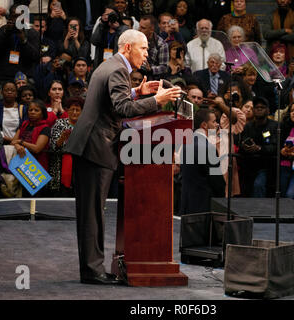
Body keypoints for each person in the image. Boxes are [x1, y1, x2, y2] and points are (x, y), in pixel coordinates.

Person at [64, 29, 181, 285]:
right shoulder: (118, 70)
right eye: (144, 48)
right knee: (92, 213)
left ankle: (92, 269)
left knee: (91, 212)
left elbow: (113, 101)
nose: (147, 54)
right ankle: (92, 271)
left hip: (91, 146)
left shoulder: (111, 65)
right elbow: (123, 108)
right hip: (95, 148)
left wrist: (138, 92)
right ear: (128, 47)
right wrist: (157, 100)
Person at [180, 108, 226, 214]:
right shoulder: (208, 148)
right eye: (214, 121)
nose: (217, 125)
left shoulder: (185, 145)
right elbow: (217, 182)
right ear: (204, 125)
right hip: (203, 207)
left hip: (187, 205)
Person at [238, 96, 277, 197]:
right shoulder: (248, 126)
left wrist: (259, 148)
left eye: (262, 107)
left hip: (266, 166)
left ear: (268, 110)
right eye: (256, 107)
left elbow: (275, 147)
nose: (259, 109)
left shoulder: (274, 126)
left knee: (258, 186)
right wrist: (245, 147)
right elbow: (241, 144)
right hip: (249, 165)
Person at [0, 3, 40, 82]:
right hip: (4, 75)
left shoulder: (32, 33)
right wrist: (5, 33)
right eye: (15, 16)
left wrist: (24, 41)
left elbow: (35, 56)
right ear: (10, 17)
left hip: (25, 76)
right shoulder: (3, 30)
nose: (18, 19)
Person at [49, 96, 83, 196]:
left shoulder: (84, 125)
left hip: (79, 167)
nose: (75, 112)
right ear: (67, 110)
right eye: (72, 109)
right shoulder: (59, 123)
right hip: (60, 167)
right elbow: (53, 147)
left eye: (78, 110)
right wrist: (62, 138)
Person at [10, 99, 50, 172]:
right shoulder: (24, 124)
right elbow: (13, 142)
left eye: (36, 110)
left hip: (36, 166)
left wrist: (21, 142)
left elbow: (37, 149)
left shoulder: (45, 128)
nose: (32, 112)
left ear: (42, 113)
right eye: (30, 110)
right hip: (20, 162)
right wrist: (17, 146)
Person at [138, 14, 169, 80]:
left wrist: (150, 69)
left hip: (152, 78)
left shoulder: (161, 44)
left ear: (151, 30)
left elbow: (164, 67)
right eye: (139, 27)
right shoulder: (134, 40)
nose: (139, 30)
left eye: (143, 28)